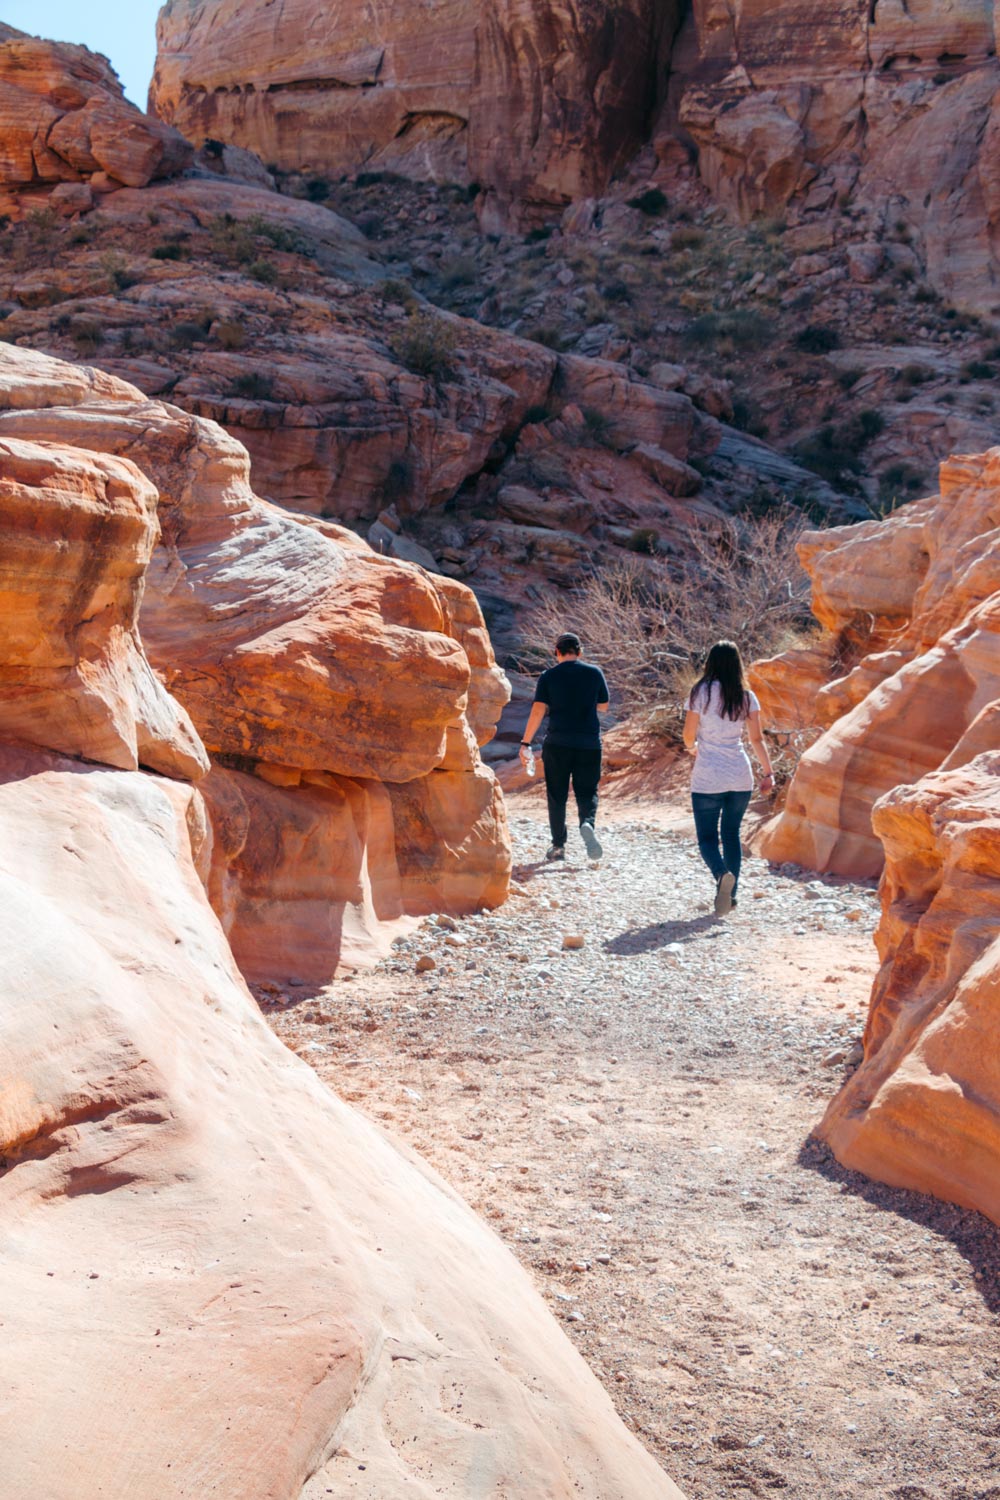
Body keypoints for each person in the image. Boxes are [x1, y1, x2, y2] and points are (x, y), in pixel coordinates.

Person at [683, 640, 773, 915]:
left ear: (710, 662)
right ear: (737, 664)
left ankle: (722, 875)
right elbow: (756, 739)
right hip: (739, 775)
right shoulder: (746, 695)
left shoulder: (700, 692)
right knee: (731, 835)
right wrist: (768, 772)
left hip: (708, 775)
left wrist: (692, 749)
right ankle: (730, 898)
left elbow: (688, 734)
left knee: (707, 839)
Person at [519, 632, 609, 862]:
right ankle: (587, 824)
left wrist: (525, 742)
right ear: (580, 651)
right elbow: (604, 706)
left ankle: (558, 846)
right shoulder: (594, 673)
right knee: (587, 792)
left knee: (557, 795)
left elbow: (538, 710)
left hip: (558, 744)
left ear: (556, 652)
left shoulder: (549, 676)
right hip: (589, 743)